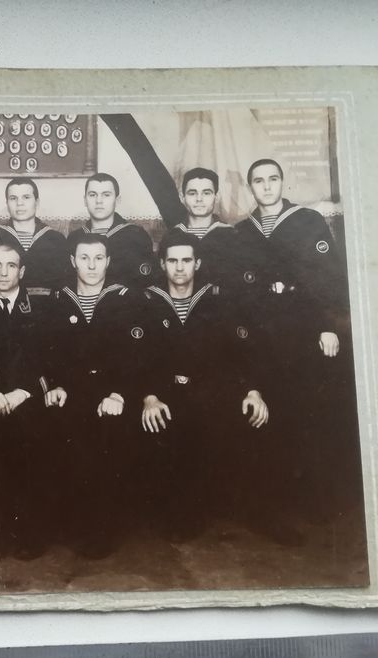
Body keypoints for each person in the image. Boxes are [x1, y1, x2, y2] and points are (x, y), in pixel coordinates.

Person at [138, 231, 295, 544]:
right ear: (162, 264)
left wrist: (253, 391)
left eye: (186, 260)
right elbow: (138, 357)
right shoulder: (146, 301)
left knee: (250, 418)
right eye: (172, 261)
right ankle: (185, 513)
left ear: (197, 263)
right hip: (166, 391)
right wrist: (149, 398)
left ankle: (259, 512)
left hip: (212, 387)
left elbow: (243, 351)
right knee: (168, 429)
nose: (179, 267)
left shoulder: (218, 298)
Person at [235, 158, 360, 524]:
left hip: (304, 332)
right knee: (272, 417)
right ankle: (281, 504)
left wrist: (327, 326)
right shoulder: (242, 231)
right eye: (259, 180)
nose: (267, 186)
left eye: (273, 179)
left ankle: (318, 503)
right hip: (263, 336)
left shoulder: (308, 221)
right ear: (250, 187)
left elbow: (329, 280)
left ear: (282, 183)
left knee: (310, 415)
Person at [42, 233, 144, 559]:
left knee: (108, 441)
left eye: (98, 258)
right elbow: (46, 354)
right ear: (72, 261)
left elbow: (136, 357)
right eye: (84, 258)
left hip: (112, 394)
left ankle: (102, 530)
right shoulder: (58, 300)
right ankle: (71, 524)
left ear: (108, 262)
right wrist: (55, 385)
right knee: (62, 438)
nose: (91, 265)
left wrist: (119, 394)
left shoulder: (126, 300)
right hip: (72, 392)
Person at [0, 240, 52, 560]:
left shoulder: (41, 306)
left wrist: (24, 391)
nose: (4, 273)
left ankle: (29, 532)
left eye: (11, 265)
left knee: (31, 448)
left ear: (22, 271)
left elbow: (49, 357)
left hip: (26, 396)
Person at [173, 167, 263, 300]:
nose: (199, 199)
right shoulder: (173, 236)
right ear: (182, 197)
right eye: (192, 193)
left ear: (217, 197)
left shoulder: (233, 237)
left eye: (206, 193)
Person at [67, 172, 155, 289]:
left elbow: (146, 280)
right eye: (92, 195)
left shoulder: (135, 235)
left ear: (117, 200)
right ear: (85, 200)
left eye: (106, 195)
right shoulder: (74, 238)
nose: (99, 201)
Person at [0, 177, 69, 292]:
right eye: (13, 198)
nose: (19, 203)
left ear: (37, 202)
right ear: (7, 204)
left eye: (26, 197)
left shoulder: (55, 239)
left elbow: (63, 282)